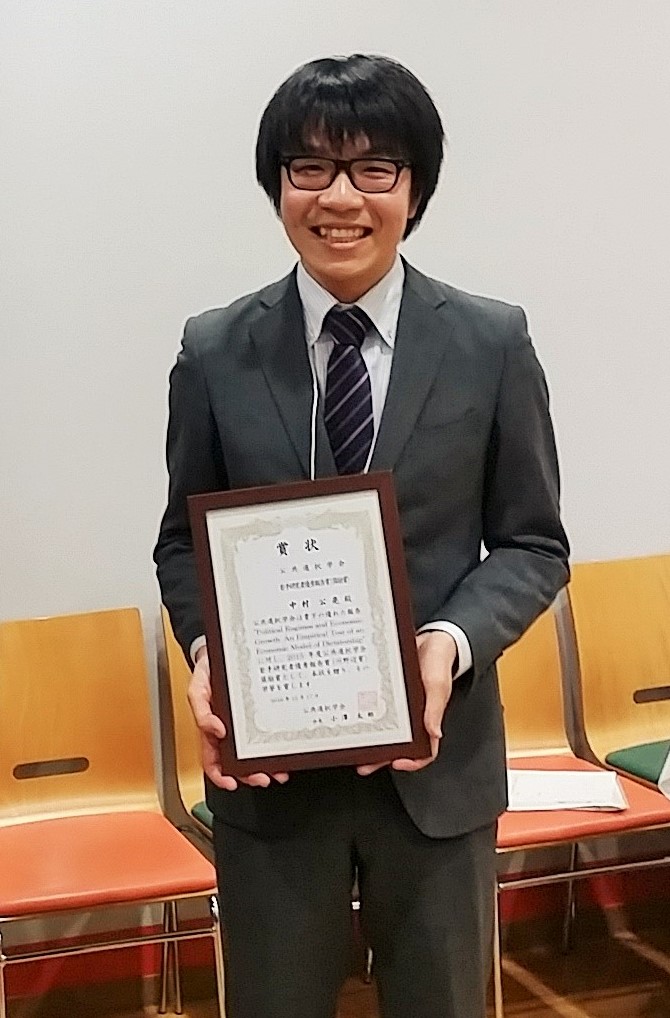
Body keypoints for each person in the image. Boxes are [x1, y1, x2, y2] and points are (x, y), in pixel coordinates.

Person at [154, 53, 569, 1018]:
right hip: (270, 776)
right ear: (278, 187)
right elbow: (182, 542)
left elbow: (533, 544)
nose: (340, 198)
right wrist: (211, 651)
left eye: (374, 168)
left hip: (436, 769)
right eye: (310, 167)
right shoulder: (214, 349)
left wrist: (448, 645)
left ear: (414, 188)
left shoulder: (490, 341)